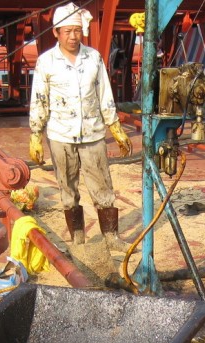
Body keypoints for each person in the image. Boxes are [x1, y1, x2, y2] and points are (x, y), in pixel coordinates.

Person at [28, 2, 133, 249]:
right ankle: (77, 238)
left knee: (103, 186)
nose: (73, 37)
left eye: (77, 31)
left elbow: (104, 94)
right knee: (67, 189)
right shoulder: (46, 62)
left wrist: (115, 127)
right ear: (56, 32)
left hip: (92, 133)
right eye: (67, 31)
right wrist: (36, 134)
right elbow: (40, 99)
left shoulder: (93, 58)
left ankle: (111, 237)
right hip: (60, 135)